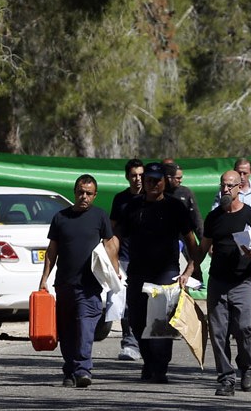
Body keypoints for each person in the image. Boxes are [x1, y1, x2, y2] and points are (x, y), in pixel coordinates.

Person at [114, 162, 197, 384]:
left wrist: (190, 269)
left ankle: (160, 368)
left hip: (166, 272)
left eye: (156, 180)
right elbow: (116, 237)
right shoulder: (131, 207)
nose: (151, 184)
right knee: (138, 321)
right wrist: (112, 263)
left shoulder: (175, 207)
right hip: (138, 272)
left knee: (160, 324)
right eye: (148, 180)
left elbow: (191, 240)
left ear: (164, 182)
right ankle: (149, 362)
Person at [38, 174, 118, 388]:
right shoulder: (60, 218)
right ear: (74, 192)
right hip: (64, 283)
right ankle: (70, 370)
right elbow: (52, 250)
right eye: (80, 192)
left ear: (95, 195)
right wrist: (44, 279)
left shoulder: (100, 216)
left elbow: (110, 245)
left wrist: (116, 273)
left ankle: (83, 370)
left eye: (88, 193)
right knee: (66, 331)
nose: (84, 196)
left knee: (85, 326)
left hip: (89, 286)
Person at [199, 170, 251, 397]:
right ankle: (226, 379)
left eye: (231, 186)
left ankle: (247, 367)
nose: (226, 189)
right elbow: (202, 248)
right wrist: (189, 270)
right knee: (218, 332)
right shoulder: (213, 218)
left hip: (243, 281)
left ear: (240, 187)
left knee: (243, 328)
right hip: (218, 281)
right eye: (223, 185)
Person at [109, 158, 144, 361]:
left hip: (149, 260)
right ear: (127, 177)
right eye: (133, 175)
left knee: (149, 304)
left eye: (141, 175)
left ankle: (148, 345)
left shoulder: (153, 198)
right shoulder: (120, 199)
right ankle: (129, 344)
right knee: (127, 303)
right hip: (125, 259)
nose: (137, 179)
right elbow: (113, 230)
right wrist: (111, 257)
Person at [211, 157, 251, 250]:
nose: (241, 176)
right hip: (228, 243)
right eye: (239, 172)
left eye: (245, 173)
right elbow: (214, 218)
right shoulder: (224, 192)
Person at [162, 158, 204, 283]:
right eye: (177, 178)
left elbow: (196, 220)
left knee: (184, 282)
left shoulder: (186, 193)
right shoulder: (155, 194)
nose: (180, 180)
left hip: (183, 245)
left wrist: (205, 242)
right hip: (160, 247)